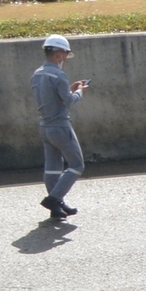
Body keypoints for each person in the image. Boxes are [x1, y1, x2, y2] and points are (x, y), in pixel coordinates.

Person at [31, 34, 88, 219]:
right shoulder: (59, 74)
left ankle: (57, 204)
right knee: (77, 164)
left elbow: (53, 97)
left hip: (45, 127)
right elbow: (69, 101)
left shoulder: (37, 74)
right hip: (61, 127)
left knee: (52, 167)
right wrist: (79, 92)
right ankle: (54, 198)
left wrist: (69, 89)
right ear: (58, 54)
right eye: (64, 54)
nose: (65, 59)